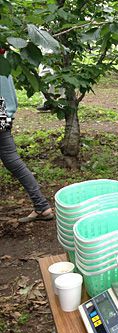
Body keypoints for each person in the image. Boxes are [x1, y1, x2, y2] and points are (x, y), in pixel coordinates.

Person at [0, 73, 54, 223]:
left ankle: (42, 206)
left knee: (14, 162)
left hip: (1, 112)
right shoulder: (4, 57)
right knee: (13, 162)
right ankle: (42, 206)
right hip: (5, 113)